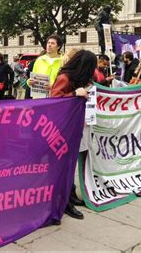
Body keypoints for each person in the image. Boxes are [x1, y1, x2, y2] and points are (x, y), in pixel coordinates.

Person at [51, 49, 97, 220]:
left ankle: (69, 195)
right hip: (62, 129)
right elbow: (54, 101)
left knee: (70, 164)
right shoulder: (64, 78)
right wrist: (73, 94)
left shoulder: (77, 79)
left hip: (73, 126)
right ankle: (63, 203)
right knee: (63, 166)